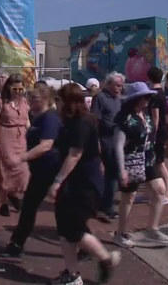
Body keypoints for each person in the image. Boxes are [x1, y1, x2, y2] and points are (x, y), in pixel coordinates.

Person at [47, 84, 120, 285]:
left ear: (68, 102)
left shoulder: (81, 123)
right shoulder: (73, 122)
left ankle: (106, 259)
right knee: (65, 229)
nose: (57, 104)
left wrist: (57, 181)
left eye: (59, 100)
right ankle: (72, 274)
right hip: (76, 182)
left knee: (74, 229)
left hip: (82, 183)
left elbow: (75, 154)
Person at [0, 84, 61, 258]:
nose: (31, 101)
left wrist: (21, 158)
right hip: (40, 171)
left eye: (35, 98)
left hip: (51, 170)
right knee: (29, 207)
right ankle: (16, 244)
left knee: (64, 211)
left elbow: (46, 145)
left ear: (46, 100)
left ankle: (86, 244)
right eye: (31, 97)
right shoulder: (37, 118)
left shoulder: (50, 118)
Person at [113, 82, 168, 249]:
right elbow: (118, 145)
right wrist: (121, 169)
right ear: (135, 99)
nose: (148, 99)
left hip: (147, 158)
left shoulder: (144, 114)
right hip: (131, 160)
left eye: (148, 96)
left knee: (160, 190)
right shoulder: (125, 118)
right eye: (144, 97)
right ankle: (120, 233)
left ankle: (152, 228)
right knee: (128, 197)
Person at [90, 72, 124, 220]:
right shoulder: (100, 98)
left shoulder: (120, 99)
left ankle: (105, 204)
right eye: (117, 85)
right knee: (109, 174)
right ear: (108, 84)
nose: (119, 88)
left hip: (117, 140)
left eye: (121, 86)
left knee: (113, 174)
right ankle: (105, 206)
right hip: (105, 140)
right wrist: (96, 142)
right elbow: (94, 122)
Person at [0, 73, 30, 217]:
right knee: (4, 170)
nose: (18, 92)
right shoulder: (0, 101)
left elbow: (27, 120)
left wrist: (33, 134)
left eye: (21, 89)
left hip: (21, 138)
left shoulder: (24, 102)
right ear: (9, 88)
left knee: (23, 171)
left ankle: (13, 194)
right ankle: (3, 202)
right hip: (5, 136)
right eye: (15, 89)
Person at [147, 67, 168, 204]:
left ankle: (166, 193)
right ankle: (152, 193)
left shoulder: (155, 95)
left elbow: (155, 117)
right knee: (155, 163)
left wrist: (152, 134)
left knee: (159, 163)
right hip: (161, 131)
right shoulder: (161, 93)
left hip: (157, 133)